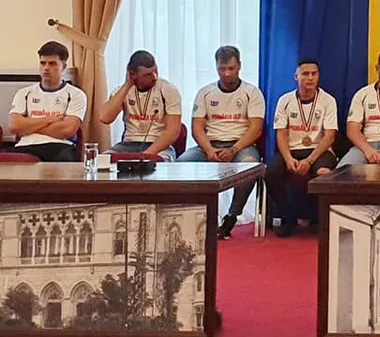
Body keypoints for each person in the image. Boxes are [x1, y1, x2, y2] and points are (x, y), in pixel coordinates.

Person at [177, 46, 265, 240]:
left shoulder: (252, 92)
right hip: (210, 145)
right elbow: (197, 127)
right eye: (222, 69)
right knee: (181, 164)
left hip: (241, 145)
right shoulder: (205, 92)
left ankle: (232, 215)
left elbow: (256, 129)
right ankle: (194, 215)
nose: (226, 73)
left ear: (239, 66)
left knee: (250, 167)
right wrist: (209, 150)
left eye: (231, 69)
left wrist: (234, 149)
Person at [266, 59, 339, 237]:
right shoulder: (285, 100)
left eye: (314, 74)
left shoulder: (328, 100)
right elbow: (281, 134)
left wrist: (309, 160)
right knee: (270, 172)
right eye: (305, 74)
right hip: (291, 150)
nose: (310, 78)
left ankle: (318, 218)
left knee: (323, 172)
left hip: (319, 150)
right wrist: (288, 159)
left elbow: (329, 136)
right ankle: (288, 217)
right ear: (296, 77)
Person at [8, 41, 87, 162]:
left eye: (52, 64)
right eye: (43, 63)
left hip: (60, 146)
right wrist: (49, 120)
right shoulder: (24, 93)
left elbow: (67, 130)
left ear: (64, 66)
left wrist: (28, 126)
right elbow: (15, 126)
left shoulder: (76, 94)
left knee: (64, 160)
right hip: (25, 146)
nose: (46, 68)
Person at [99, 50, 182, 161]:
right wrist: (128, 84)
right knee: (102, 161)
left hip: (158, 146)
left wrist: (145, 155)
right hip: (128, 144)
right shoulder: (122, 91)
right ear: (133, 74)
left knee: (161, 163)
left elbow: (173, 131)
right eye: (147, 75)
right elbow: (105, 118)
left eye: (155, 71)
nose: (154, 77)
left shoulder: (168, 89)